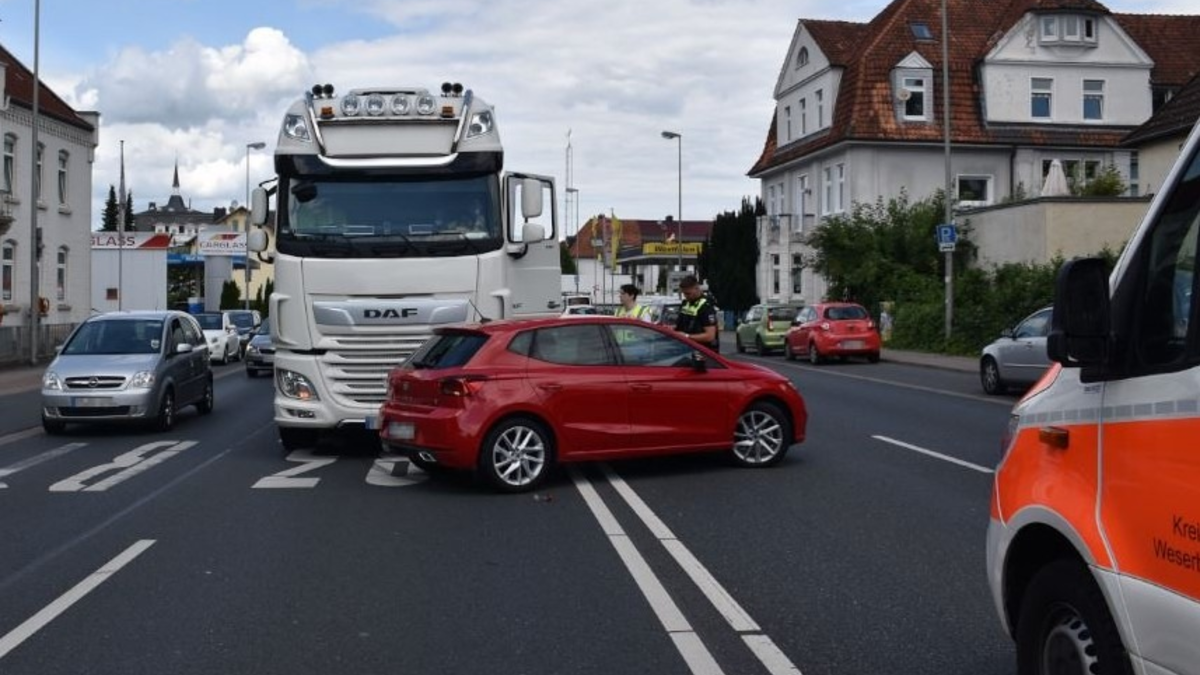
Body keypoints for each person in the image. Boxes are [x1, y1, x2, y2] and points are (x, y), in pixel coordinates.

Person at [674, 275, 719, 351]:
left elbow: (710, 336)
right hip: (687, 351)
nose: (686, 296)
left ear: (697, 288)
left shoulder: (706, 306)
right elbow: (681, 326)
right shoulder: (686, 303)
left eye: (688, 293)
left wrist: (686, 336)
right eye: (684, 294)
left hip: (704, 352)